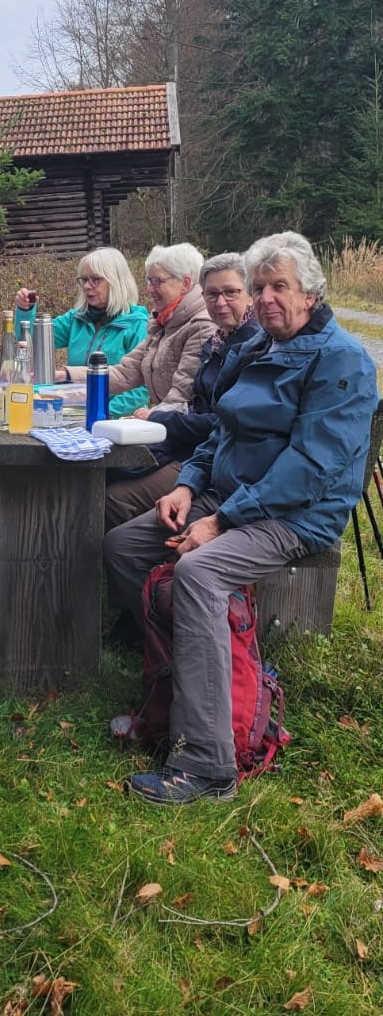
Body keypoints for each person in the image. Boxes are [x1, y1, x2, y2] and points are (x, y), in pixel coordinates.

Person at [103, 231, 378, 805]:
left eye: (280, 285)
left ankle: (208, 762)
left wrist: (220, 522)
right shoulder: (260, 349)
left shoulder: (343, 360)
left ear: (310, 292)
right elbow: (220, 433)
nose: (268, 297)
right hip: (229, 497)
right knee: (125, 548)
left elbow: (310, 467)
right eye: (261, 287)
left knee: (199, 574)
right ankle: (191, 687)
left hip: (293, 515)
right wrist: (187, 486)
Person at [105, 252, 260, 529]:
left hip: (219, 464)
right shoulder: (218, 340)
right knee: (105, 474)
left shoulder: (249, 345)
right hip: (197, 452)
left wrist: (157, 419)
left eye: (231, 293)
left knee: (112, 498)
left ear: (250, 295)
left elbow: (221, 423)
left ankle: (146, 563)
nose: (220, 302)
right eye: (211, 294)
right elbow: (195, 405)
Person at [67, 242, 216, 418]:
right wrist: (67, 376)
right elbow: (125, 373)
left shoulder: (200, 327)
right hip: (170, 423)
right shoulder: (163, 324)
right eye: (148, 280)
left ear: (185, 283)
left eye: (157, 281)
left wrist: (151, 416)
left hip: (190, 434)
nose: (149, 289)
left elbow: (183, 395)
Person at [14, 247, 150, 416]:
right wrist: (25, 310)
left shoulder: (138, 325)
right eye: (84, 280)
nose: (87, 286)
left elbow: (142, 387)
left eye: (95, 280)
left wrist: (103, 413)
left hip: (120, 420)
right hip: (74, 413)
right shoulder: (76, 319)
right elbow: (32, 342)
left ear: (116, 281)